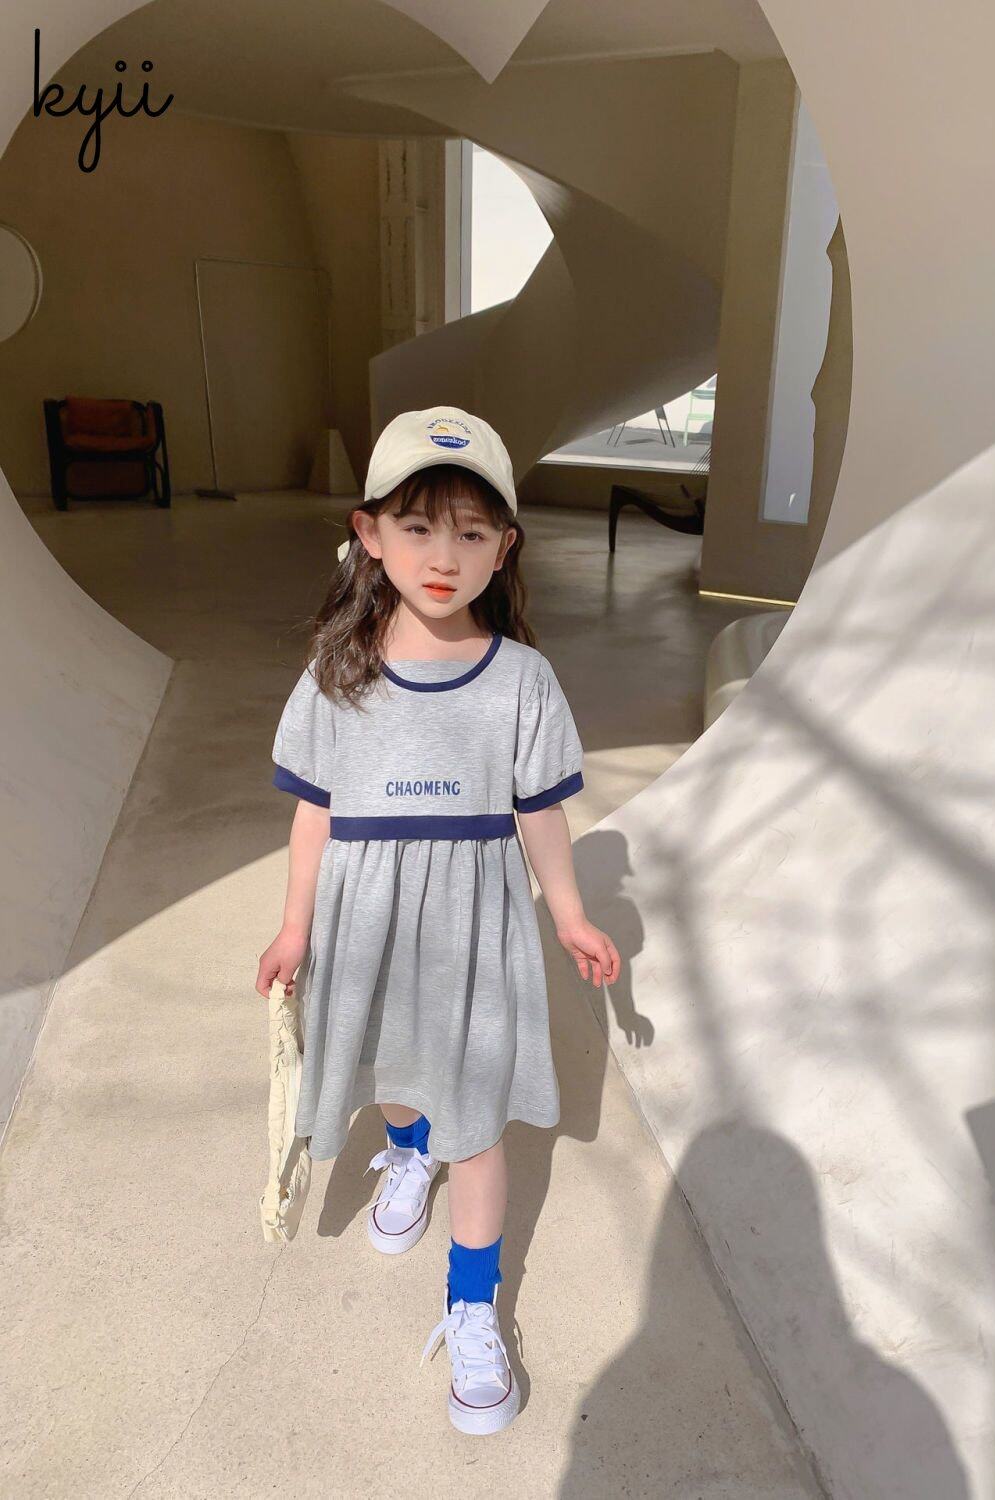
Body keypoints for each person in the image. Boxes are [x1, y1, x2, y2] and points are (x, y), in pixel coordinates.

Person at [255, 405, 621, 1436]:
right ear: (369, 534)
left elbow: (539, 810)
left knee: (478, 1121)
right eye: (417, 526)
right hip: (365, 924)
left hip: (475, 936)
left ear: (506, 547)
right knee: (390, 1063)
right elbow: (313, 813)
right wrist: (294, 927)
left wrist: (570, 914)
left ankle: (472, 1302)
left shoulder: (523, 680)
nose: (443, 555)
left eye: (471, 530)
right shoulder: (336, 673)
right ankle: (406, 1149)